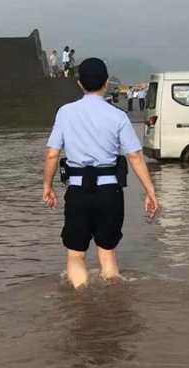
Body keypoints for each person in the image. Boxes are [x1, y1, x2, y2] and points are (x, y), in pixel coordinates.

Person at [43, 57, 159, 288]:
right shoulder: (117, 116)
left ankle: (80, 302)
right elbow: (134, 156)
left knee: (75, 255)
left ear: (80, 84)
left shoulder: (65, 113)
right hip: (109, 192)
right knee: (107, 256)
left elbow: (52, 155)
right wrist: (150, 190)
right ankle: (111, 307)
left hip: (78, 192)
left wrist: (47, 186)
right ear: (107, 83)